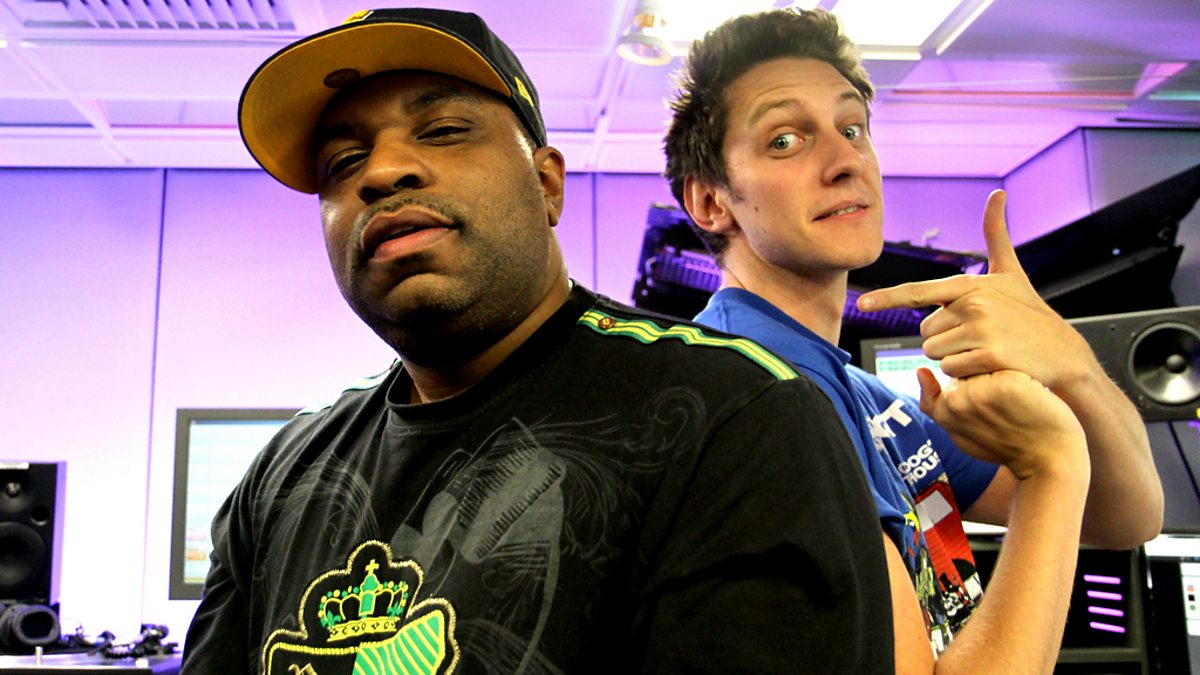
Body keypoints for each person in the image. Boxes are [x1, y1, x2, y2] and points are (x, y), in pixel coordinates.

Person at [180, 8, 895, 674]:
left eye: (442, 130)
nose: (381, 172)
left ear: (547, 185)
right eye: (342, 162)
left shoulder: (736, 416)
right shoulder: (281, 478)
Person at [663, 7, 1165, 673]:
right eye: (785, 140)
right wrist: (1053, 465)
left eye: (852, 129)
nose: (845, 160)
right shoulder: (758, 398)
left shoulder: (868, 401)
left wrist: (1070, 360)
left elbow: (1126, 517)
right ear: (710, 202)